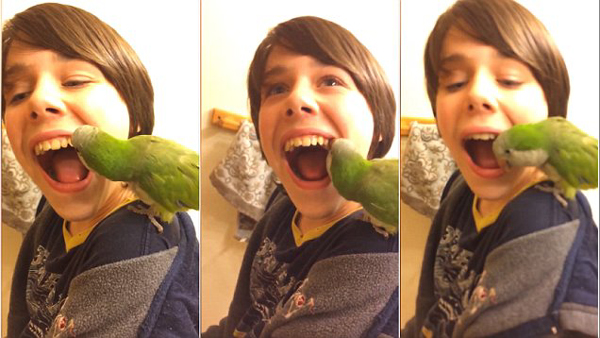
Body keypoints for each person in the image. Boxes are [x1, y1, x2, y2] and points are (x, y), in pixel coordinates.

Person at [401, 0, 598, 336]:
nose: (477, 93)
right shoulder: (459, 187)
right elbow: (428, 309)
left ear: (551, 105)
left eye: (508, 80)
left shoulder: (547, 226)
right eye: (454, 83)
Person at [2, 3, 199, 337]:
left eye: (76, 81)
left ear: (135, 116)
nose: (39, 100)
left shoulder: (137, 257)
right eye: (18, 94)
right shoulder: (50, 211)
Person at [203, 16, 399, 337]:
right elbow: (238, 323)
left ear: (378, 125)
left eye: (331, 81)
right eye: (277, 88)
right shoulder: (279, 211)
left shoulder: (380, 246)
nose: (297, 100)